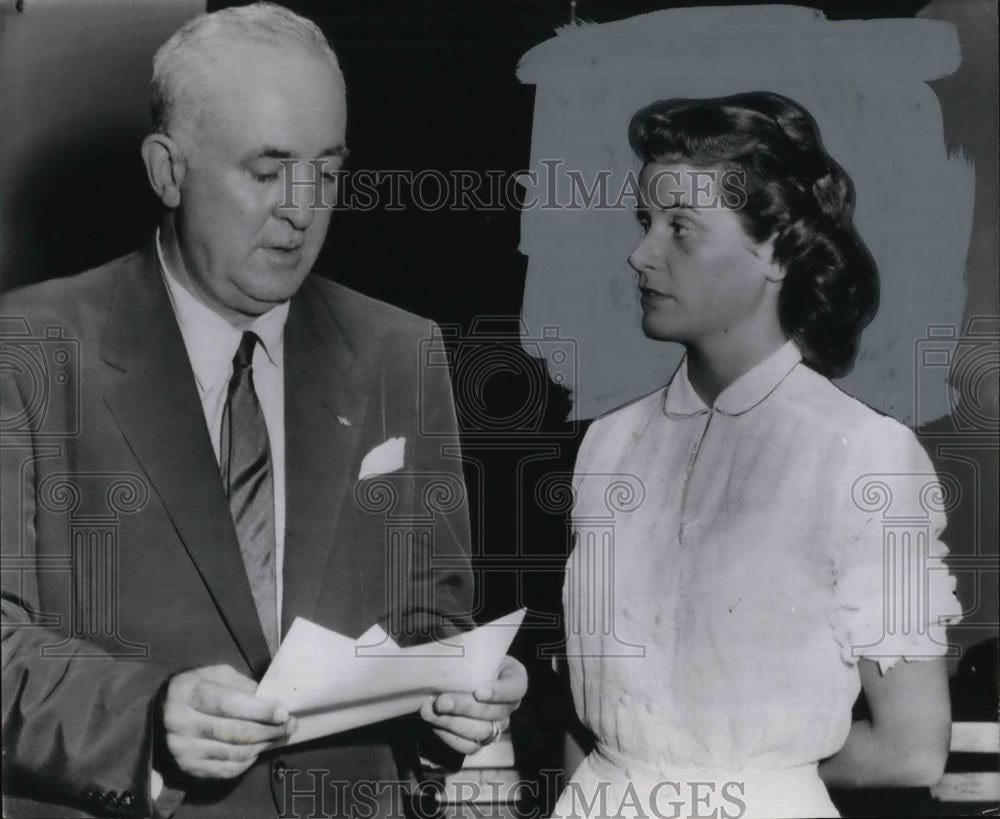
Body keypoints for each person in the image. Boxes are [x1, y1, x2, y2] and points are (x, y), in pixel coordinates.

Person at [0, 4, 526, 817]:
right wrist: (149, 717)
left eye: (328, 168)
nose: (302, 207)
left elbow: (428, 613)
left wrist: (460, 698)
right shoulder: (27, 348)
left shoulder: (399, 348)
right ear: (167, 170)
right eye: (267, 169)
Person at [552, 92, 963, 819]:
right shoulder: (607, 444)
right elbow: (586, 715)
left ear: (776, 250)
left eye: (680, 227)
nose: (641, 252)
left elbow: (912, 748)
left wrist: (755, 778)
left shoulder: (868, 455)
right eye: (645, 222)